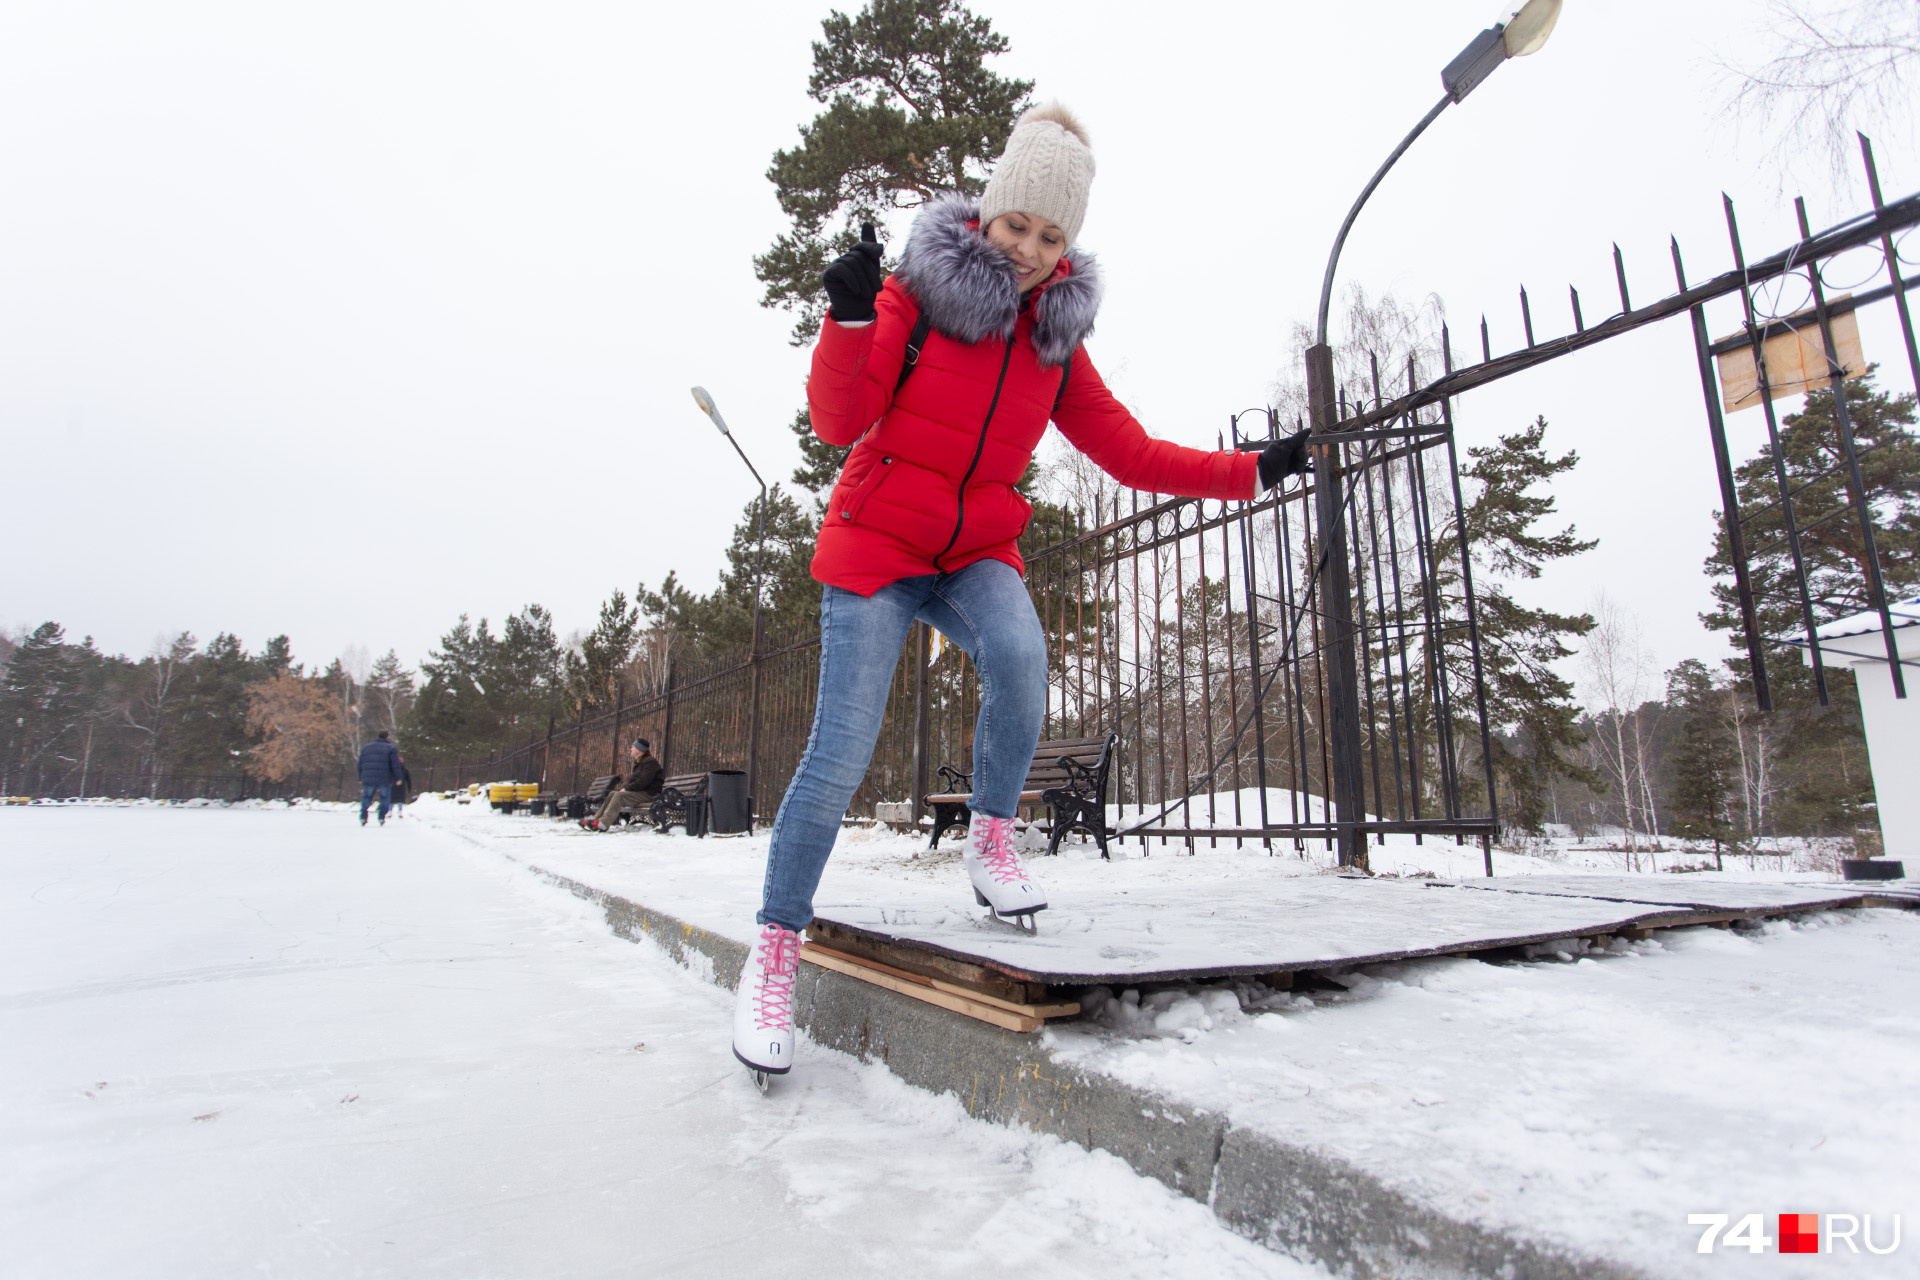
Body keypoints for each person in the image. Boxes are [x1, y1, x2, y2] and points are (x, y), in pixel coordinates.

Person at [733, 103, 1311, 1078]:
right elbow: (840, 420)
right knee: (839, 751)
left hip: (972, 552)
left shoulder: (1052, 341)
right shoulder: (915, 300)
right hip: (875, 546)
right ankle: (776, 946)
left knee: (1021, 658)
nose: (1034, 251)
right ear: (988, 214)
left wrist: (1250, 469)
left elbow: (1128, 452)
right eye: (1018, 226)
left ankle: (992, 840)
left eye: (1055, 236)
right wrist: (850, 315)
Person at [584, 738, 663, 831]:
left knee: (619, 796)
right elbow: (635, 781)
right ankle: (595, 820)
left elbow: (643, 782)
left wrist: (627, 789)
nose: (631, 749)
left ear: (639, 750)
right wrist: (626, 787)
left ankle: (603, 823)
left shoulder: (650, 762)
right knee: (612, 793)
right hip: (641, 793)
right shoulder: (641, 763)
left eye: (632, 747)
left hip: (649, 794)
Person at [357, 731, 404, 826]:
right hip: (384, 778)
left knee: (366, 797)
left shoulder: (366, 747)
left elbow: (360, 763)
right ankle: (381, 817)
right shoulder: (391, 748)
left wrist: (361, 776)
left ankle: (363, 817)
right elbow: (395, 765)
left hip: (368, 777)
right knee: (385, 798)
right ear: (387, 737)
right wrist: (398, 777)